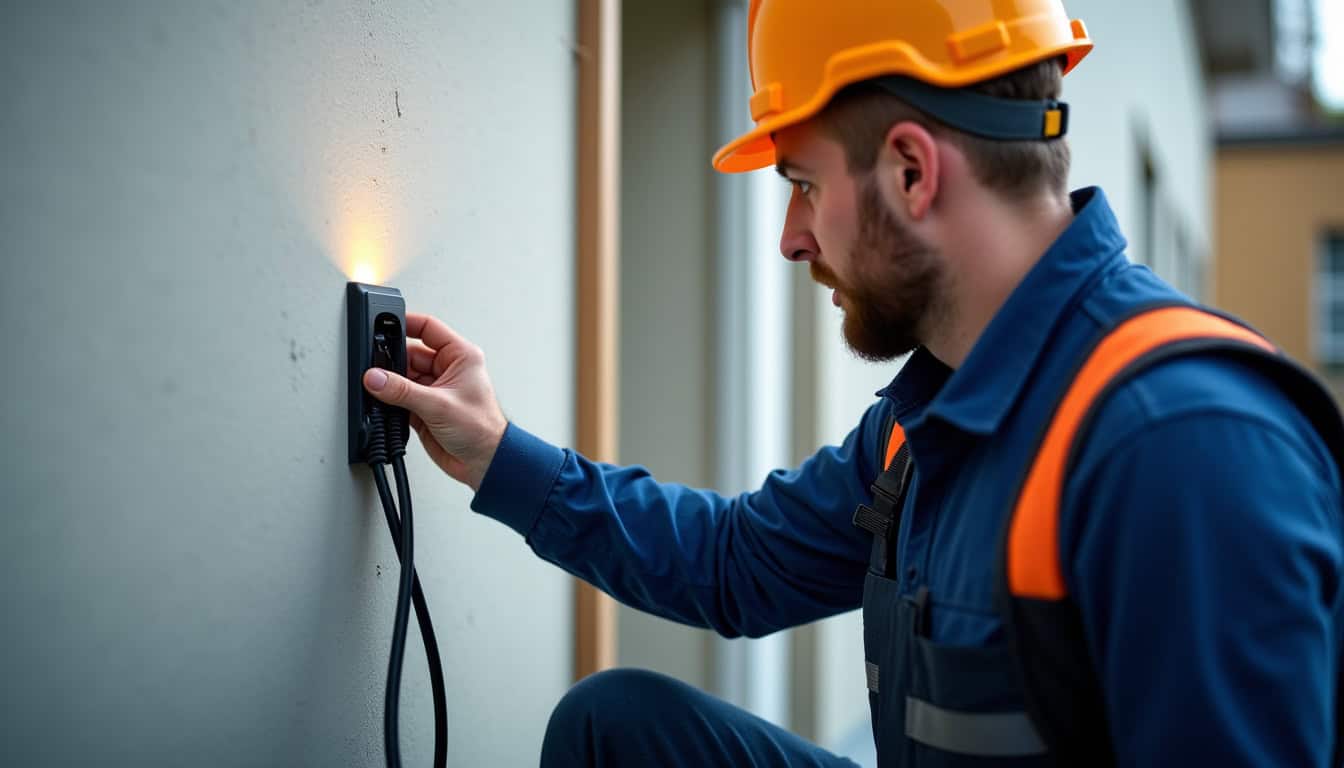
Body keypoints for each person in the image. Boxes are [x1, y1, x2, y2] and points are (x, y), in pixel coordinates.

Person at [362, 0, 1344, 764]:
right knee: (618, 731)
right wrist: (500, 457)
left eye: (802, 185)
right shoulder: (933, 420)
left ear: (912, 172)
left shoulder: (1181, 448)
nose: (793, 238)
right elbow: (736, 562)